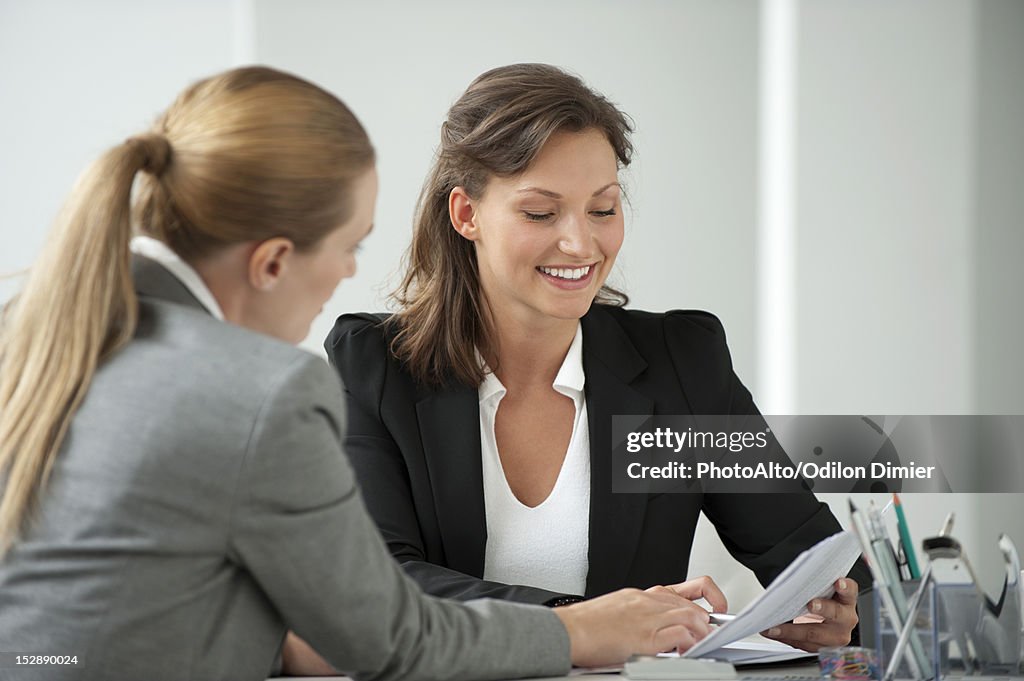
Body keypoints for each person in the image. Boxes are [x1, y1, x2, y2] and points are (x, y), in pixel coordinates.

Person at [0, 66, 718, 681]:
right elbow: (389, 635)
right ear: (274, 260)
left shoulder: (26, 330)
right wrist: (581, 628)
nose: (349, 273)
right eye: (350, 246)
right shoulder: (287, 383)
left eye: (603, 206)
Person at [326, 63, 870, 652]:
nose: (581, 244)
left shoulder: (681, 363)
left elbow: (811, 558)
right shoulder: (375, 367)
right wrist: (582, 622)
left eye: (603, 209)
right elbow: (377, 584)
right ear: (467, 215)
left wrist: (839, 613)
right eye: (540, 213)